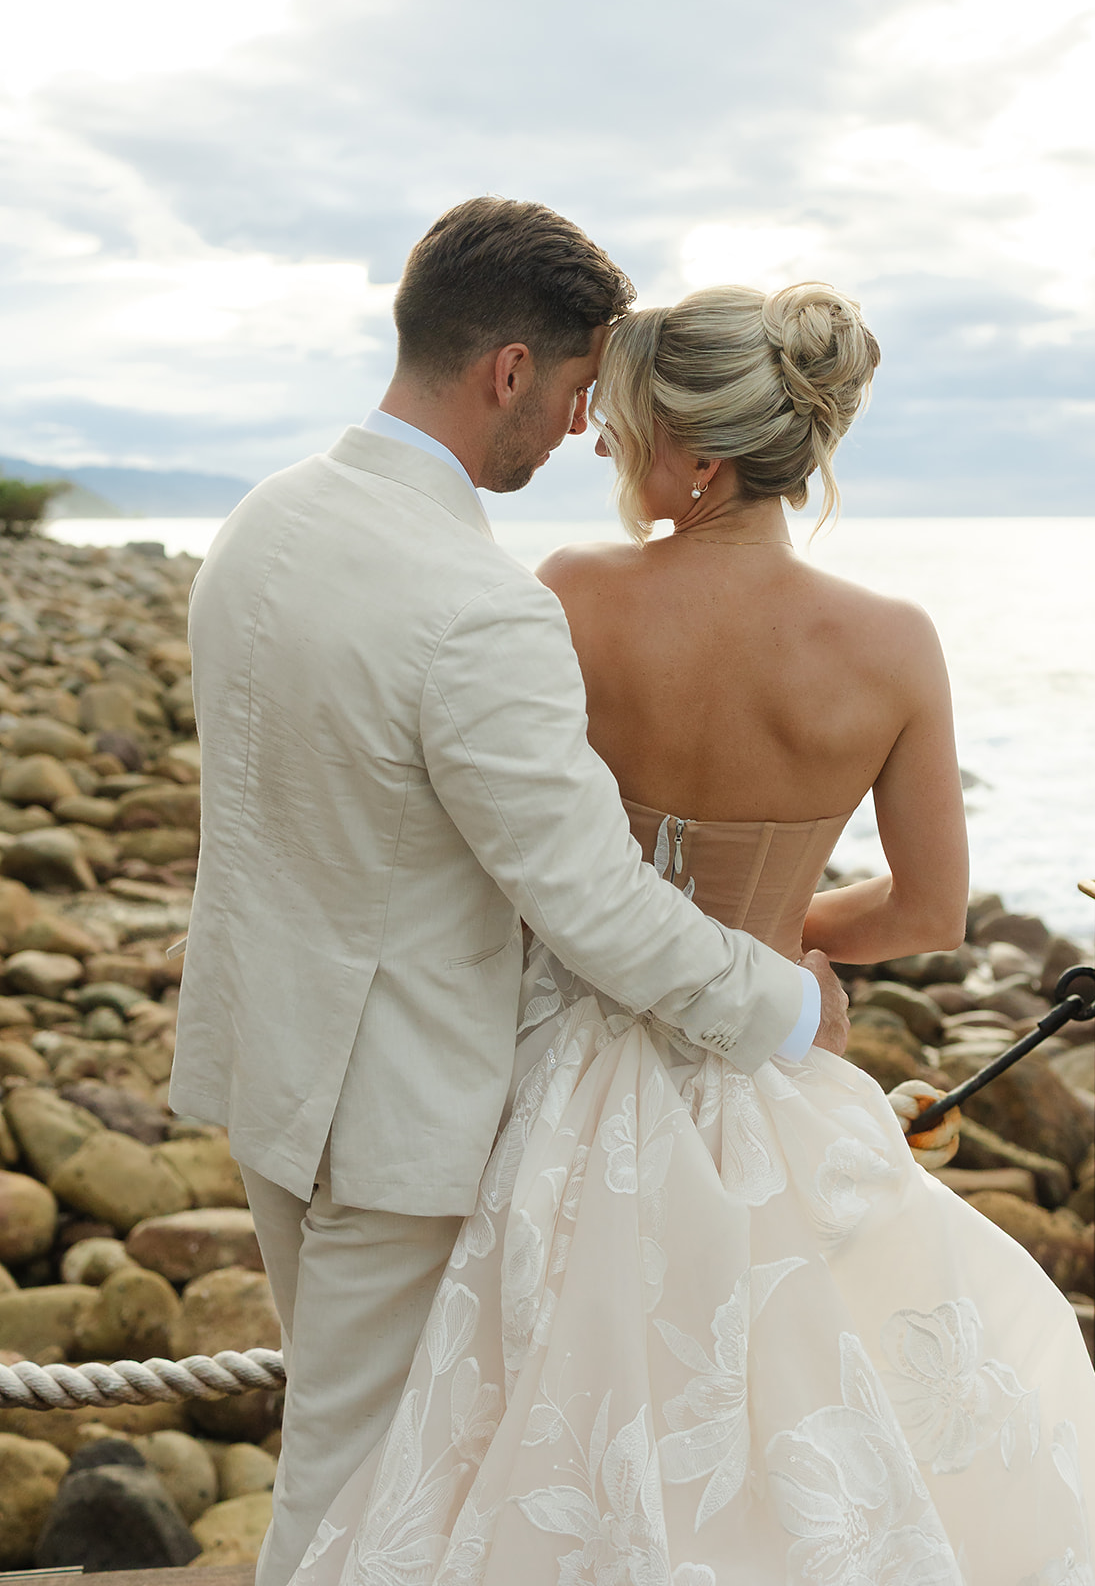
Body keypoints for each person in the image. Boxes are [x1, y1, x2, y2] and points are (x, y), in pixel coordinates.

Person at [289, 283, 1095, 1584]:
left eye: (630, 425)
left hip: (555, 1076)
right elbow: (927, 909)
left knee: (533, 1414)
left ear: (700, 458)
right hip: (766, 1072)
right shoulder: (893, 643)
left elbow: (533, 856)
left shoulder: (576, 596)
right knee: (822, 1407)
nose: (605, 448)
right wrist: (773, 936)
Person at [169, 201, 856, 1586]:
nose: (577, 433)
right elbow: (591, 901)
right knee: (356, 1491)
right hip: (394, 1112)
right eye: (571, 393)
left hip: (266, 1054)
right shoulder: (477, 607)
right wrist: (785, 1006)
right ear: (505, 373)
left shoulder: (265, 518)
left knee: (364, 1450)